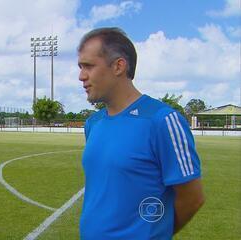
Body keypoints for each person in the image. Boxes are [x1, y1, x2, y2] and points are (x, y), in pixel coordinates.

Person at [77, 27, 205, 239]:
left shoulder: (162, 120)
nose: (81, 76)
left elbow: (192, 198)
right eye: (80, 67)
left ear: (119, 66)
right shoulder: (93, 124)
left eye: (88, 66)